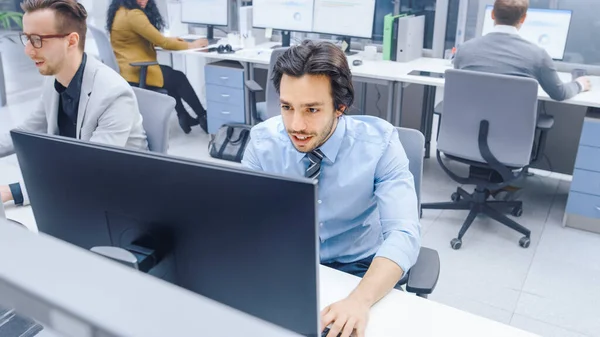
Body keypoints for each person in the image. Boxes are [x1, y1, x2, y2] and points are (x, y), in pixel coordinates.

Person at [241, 40, 421, 337]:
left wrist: (359, 301)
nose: (295, 125)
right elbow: (243, 217)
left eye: (311, 109)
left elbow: (404, 233)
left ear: (340, 106)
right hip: (289, 263)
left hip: (360, 268)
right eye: (287, 107)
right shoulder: (263, 142)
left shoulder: (380, 144)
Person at [0, 0, 148, 206]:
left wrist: (12, 191)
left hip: (119, 195)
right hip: (74, 185)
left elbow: (88, 169)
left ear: (71, 41)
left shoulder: (114, 94)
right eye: (26, 39)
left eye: (37, 40)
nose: (28, 51)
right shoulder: (54, 78)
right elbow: (25, 132)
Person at [453, 0, 591, 101]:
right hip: (514, 134)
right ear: (524, 18)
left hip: (466, 130)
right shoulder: (539, 56)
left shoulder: (465, 49)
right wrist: (579, 84)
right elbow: (559, 94)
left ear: (493, 14)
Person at [107, 0, 209, 134]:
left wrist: (177, 41)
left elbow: (152, 39)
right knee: (178, 78)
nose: (144, 1)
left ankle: (183, 116)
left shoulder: (120, 11)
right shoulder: (134, 15)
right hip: (137, 72)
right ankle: (203, 117)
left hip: (127, 69)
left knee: (170, 77)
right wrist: (192, 45)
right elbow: (163, 42)